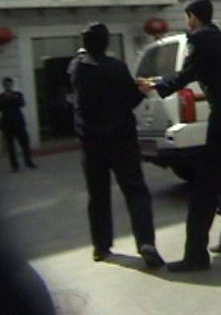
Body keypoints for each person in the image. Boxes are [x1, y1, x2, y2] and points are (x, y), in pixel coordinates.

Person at [137, 0, 221, 272]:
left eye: (187, 17)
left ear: (192, 16)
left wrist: (155, 86)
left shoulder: (200, 39)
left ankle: (195, 255)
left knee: (204, 187)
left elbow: (186, 74)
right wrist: (159, 83)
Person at [69, 22, 164, 268]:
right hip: (122, 140)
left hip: (91, 142)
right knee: (136, 191)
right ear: (107, 43)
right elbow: (130, 98)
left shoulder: (77, 69)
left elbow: (80, 65)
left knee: (98, 195)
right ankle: (146, 243)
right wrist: (141, 90)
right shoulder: (117, 68)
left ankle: (101, 247)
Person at [0, 77, 36, 172]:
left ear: (12, 84)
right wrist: (6, 99)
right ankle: (14, 166)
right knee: (11, 147)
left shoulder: (18, 94)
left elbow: (22, 104)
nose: (8, 86)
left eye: (9, 84)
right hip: (6, 124)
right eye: (6, 85)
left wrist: (13, 98)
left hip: (19, 123)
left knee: (25, 144)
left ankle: (28, 162)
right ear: (3, 85)